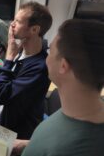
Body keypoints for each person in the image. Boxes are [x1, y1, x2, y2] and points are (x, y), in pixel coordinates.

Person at [11, 19, 104, 156]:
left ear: (63, 66)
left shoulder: (69, 149)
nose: (46, 58)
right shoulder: (84, 110)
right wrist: (27, 145)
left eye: (50, 50)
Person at [0, 1, 52, 140]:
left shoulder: (40, 67)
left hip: (16, 136)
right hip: (4, 123)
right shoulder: (20, 52)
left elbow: (1, 96)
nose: (12, 24)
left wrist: (8, 59)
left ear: (34, 30)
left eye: (18, 21)